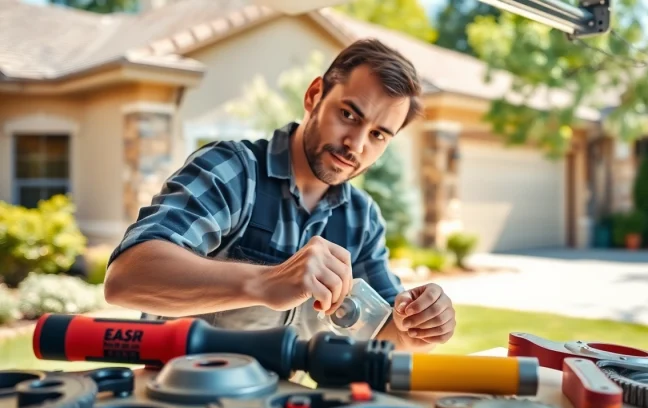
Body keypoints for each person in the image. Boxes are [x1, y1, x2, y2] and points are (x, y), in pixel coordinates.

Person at [104, 38, 456, 353]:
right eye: (348, 114)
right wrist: (264, 282)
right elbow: (126, 279)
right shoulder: (234, 170)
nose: (357, 144)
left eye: (379, 135)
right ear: (314, 95)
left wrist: (418, 328)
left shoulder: (362, 219)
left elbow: (383, 335)